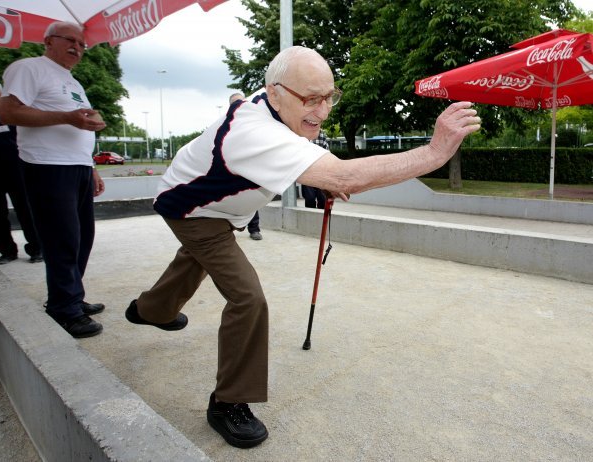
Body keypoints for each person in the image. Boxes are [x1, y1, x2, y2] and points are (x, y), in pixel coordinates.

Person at [125, 46, 480, 448]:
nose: (323, 110)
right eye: (311, 99)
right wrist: (432, 153)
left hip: (217, 204)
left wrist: (319, 176)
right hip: (194, 211)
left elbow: (308, 158)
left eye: (329, 96)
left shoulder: (273, 106)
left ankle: (150, 309)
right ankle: (228, 403)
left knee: (195, 261)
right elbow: (344, 175)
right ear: (274, 93)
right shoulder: (254, 131)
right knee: (247, 297)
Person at [0, 21, 107, 339]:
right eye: (70, 40)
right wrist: (67, 117)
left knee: (82, 238)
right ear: (48, 41)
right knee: (62, 239)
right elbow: (8, 112)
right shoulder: (29, 68)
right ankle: (64, 310)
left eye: (82, 43)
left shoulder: (71, 80)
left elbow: (78, 125)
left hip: (77, 167)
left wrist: (91, 166)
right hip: (47, 166)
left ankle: (72, 296)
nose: (77, 47)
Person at [0, 80, 42, 265]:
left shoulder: (13, 117)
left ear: (1, 94)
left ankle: (37, 248)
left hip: (18, 171)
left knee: (27, 211)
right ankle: (6, 251)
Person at [229, 91, 263, 240]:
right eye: (236, 103)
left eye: (242, 102)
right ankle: (227, 229)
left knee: (251, 198)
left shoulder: (254, 121)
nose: (239, 105)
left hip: (250, 169)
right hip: (231, 169)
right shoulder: (226, 123)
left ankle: (254, 229)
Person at [301, 130, 328, 209]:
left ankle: (322, 219)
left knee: (323, 199)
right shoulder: (301, 134)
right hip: (306, 173)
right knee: (310, 199)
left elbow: (327, 152)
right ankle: (309, 220)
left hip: (320, 173)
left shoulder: (321, 135)